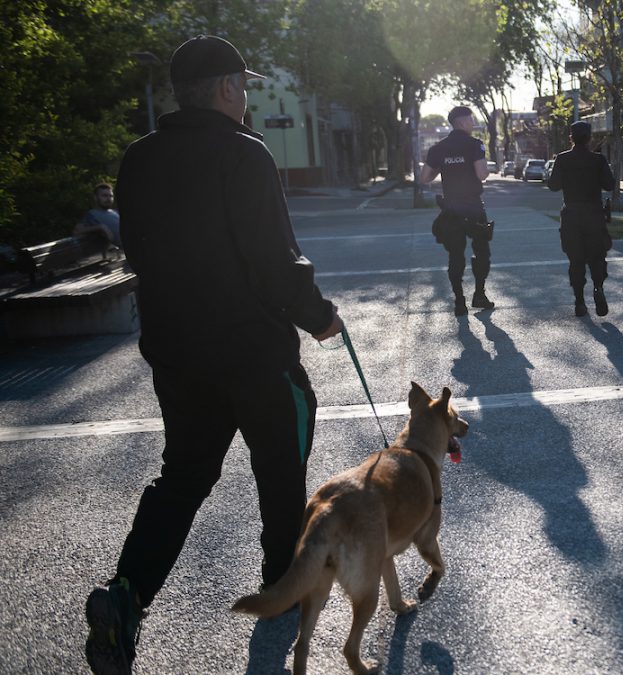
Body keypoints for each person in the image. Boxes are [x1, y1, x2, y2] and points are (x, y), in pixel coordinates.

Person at [84, 35, 342, 674]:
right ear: (227, 88)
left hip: (178, 357)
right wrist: (319, 317)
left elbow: (140, 254)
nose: (247, 96)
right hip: (255, 355)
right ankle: (280, 594)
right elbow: (274, 259)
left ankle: (126, 597)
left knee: (184, 480)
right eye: (245, 85)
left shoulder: (138, 159)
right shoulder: (243, 154)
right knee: (281, 477)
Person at [420, 106, 495, 316]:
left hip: (451, 209)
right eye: (471, 120)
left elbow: (424, 177)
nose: (473, 123)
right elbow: (482, 175)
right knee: (481, 252)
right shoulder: (475, 145)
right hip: (473, 208)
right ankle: (479, 295)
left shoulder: (438, 148)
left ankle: (459, 301)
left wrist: (442, 167)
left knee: (455, 255)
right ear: (462, 123)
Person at [547, 120, 616, 317]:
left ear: (571, 137)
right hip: (594, 215)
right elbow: (609, 185)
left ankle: (579, 301)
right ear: (589, 138)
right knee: (597, 256)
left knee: (575, 260)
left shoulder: (562, 159)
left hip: (571, 215)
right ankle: (598, 288)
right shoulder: (598, 160)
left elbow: (553, 185)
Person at [73, 183, 122, 247]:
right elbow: (76, 231)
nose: (109, 199)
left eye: (111, 196)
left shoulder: (115, 212)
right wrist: (100, 227)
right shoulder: (92, 214)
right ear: (96, 197)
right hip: (118, 252)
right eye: (104, 196)